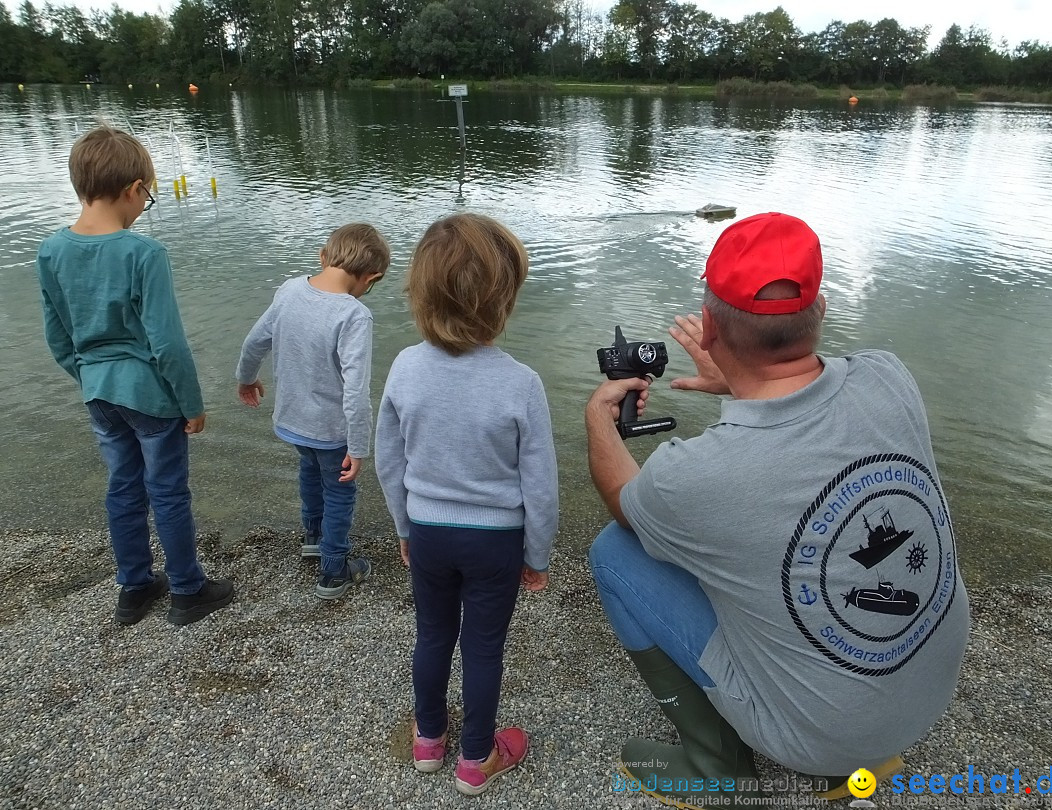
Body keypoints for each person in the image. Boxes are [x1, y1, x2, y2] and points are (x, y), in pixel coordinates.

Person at [585, 212, 970, 807]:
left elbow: (624, 501)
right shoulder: (890, 377)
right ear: (820, 311)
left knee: (615, 550)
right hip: (923, 702)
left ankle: (716, 767)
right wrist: (743, 380)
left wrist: (599, 423)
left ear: (708, 328)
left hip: (821, 739)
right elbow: (799, 414)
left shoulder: (697, 475)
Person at [374, 213, 558, 796]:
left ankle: (428, 740)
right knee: (483, 647)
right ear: (504, 299)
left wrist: (404, 525)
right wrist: (538, 553)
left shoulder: (405, 367)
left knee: (431, 635)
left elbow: (389, 460)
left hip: (428, 528)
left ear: (419, 292)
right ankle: (475, 760)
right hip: (495, 541)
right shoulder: (521, 382)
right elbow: (541, 485)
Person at [36, 125, 235, 627]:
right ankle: (189, 591)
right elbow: (166, 342)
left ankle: (135, 586)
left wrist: (88, 379)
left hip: (98, 393)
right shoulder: (143, 253)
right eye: (148, 195)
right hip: (149, 395)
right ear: (132, 190)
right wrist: (191, 403)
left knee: (123, 486)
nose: (145, 206)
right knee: (167, 490)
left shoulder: (50, 251)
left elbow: (58, 337)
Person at [236, 223, 389, 600]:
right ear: (373, 277)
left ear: (323, 256)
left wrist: (245, 379)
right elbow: (355, 389)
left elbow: (256, 340)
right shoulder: (354, 315)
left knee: (308, 471)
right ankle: (334, 570)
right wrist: (359, 446)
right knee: (339, 493)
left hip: (291, 421)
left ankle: (312, 536)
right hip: (331, 430)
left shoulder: (289, 290)